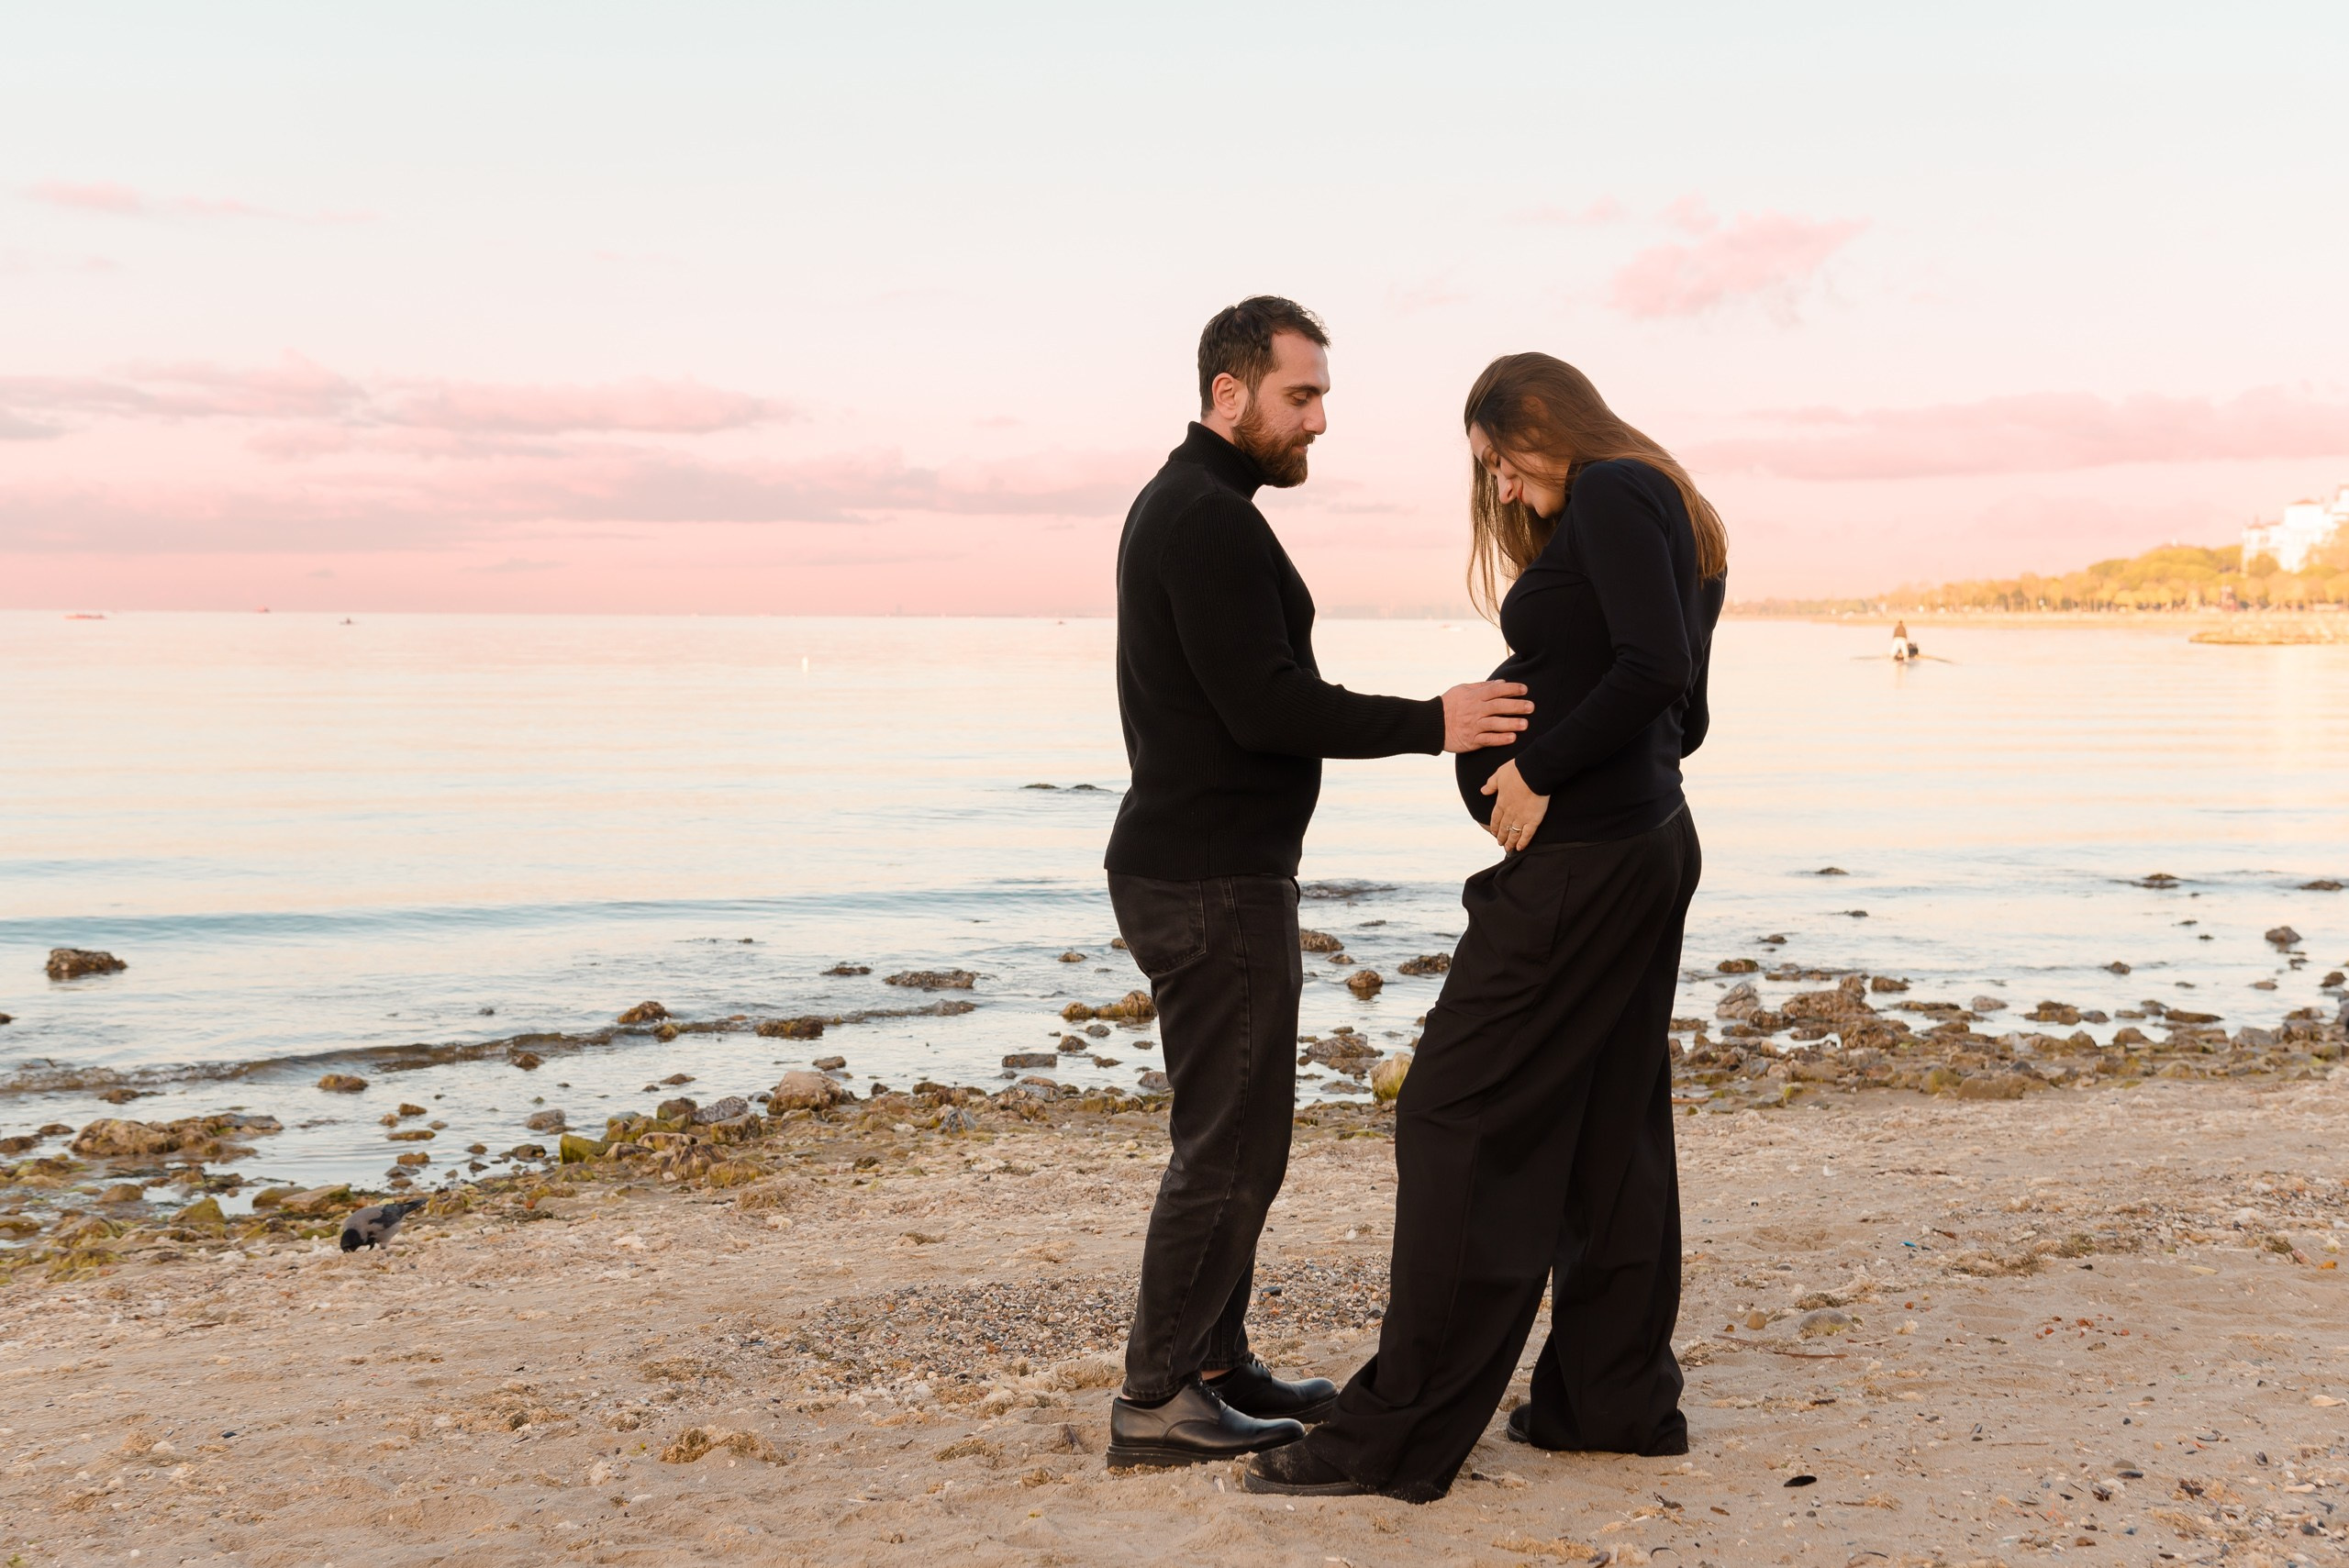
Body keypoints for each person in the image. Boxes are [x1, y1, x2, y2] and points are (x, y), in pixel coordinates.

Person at [1244, 351, 1727, 1501]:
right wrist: (1550, 724)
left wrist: (1538, 768)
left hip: (1586, 861)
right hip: (1645, 844)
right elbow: (1686, 713)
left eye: (1499, 463)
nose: (1502, 492)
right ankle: (1607, 1398)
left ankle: (1393, 1436)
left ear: (1538, 426)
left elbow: (1654, 671)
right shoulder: (1673, 506)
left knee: (1455, 1112)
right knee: (1613, 1121)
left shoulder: (1611, 489)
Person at [1102, 297, 1535, 1471]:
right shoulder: (1203, 517)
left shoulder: (1199, 508)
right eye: (1301, 397)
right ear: (1228, 392)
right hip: (1206, 876)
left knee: (1242, 1132)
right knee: (1230, 1145)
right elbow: (1267, 707)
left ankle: (1208, 1360)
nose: (1319, 422)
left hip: (1207, 867)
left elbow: (1250, 695)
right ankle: (1154, 1398)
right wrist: (1432, 722)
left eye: (1322, 398)